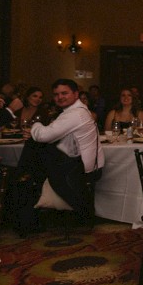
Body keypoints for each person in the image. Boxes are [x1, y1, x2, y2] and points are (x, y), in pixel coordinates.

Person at [16, 79, 104, 232]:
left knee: (34, 150)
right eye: (56, 94)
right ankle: (25, 193)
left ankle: (21, 193)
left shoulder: (75, 114)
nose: (60, 97)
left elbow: (44, 135)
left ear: (76, 94)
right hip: (81, 164)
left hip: (82, 169)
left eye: (64, 93)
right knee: (35, 152)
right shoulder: (74, 111)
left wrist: (34, 126)